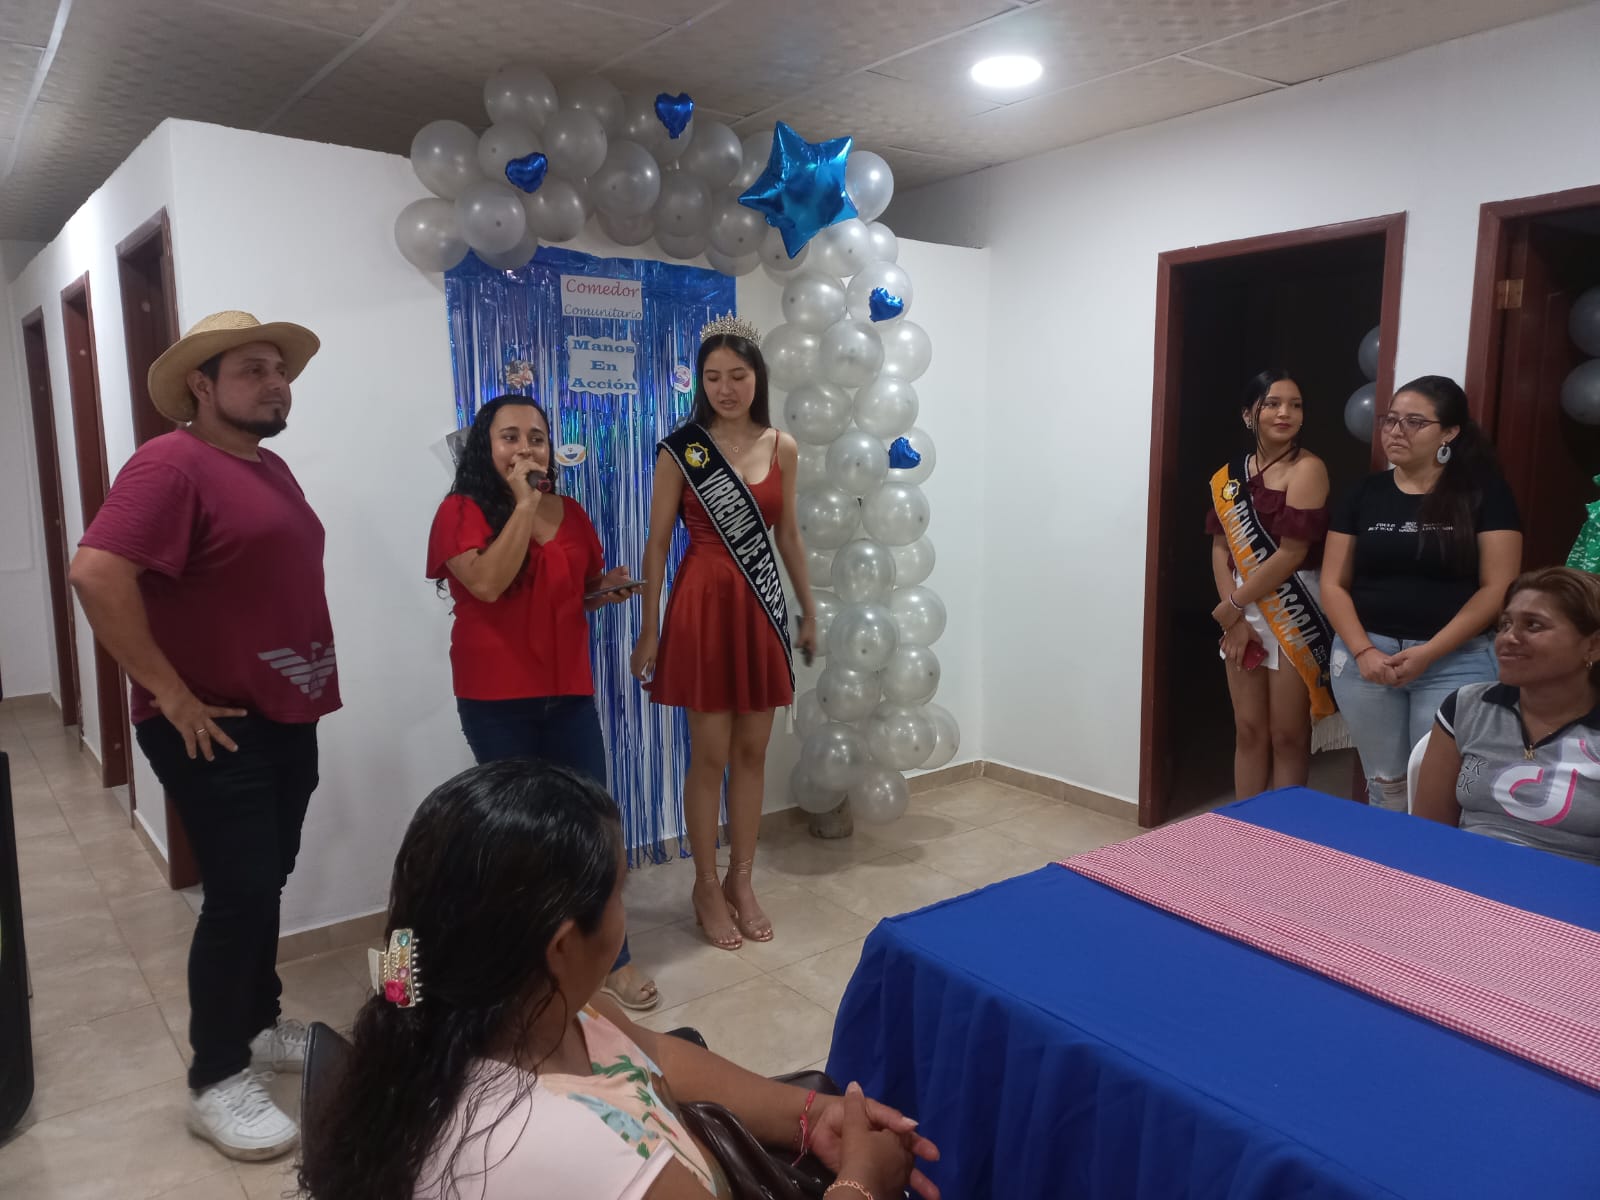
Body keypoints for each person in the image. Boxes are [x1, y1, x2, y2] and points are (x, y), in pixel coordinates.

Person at [298, 759, 940, 1200]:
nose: (623, 913)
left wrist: (813, 1115)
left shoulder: (529, 1014)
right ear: (561, 945)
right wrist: (863, 1185)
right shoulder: (558, 1150)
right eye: (618, 893)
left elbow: (651, 1055)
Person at [68, 310, 335, 1160]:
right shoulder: (170, 465)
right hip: (215, 726)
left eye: (279, 370)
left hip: (285, 711)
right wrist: (171, 694)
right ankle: (216, 1079)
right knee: (240, 895)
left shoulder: (270, 466)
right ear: (202, 385)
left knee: (266, 880)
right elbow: (96, 572)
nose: (275, 384)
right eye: (252, 370)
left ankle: (257, 1024)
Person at [427, 393, 658, 1012]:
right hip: (497, 700)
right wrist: (525, 504)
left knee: (593, 826)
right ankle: (530, 962)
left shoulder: (571, 512)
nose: (526, 447)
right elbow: (488, 583)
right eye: (510, 436)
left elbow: (568, 590)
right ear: (486, 446)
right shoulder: (460, 510)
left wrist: (602, 590)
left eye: (537, 436)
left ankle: (612, 958)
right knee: (522, 837)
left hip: (570, 694)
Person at [631, 316, 817, 951]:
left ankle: (742, 880)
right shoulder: (681, 449)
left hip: (760, 609)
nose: (726, 388)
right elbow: (657, 545)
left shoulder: (783, 446)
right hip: (703, 608)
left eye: (738, 375)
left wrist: (809, 610)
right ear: (700, 383)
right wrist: (649, 629)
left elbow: (788, 537)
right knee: (709, 755)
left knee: (753, 753)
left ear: (757, 377)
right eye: (713, 377)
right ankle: (705, 885)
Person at [1320, 375, 1523, 810]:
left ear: (1449, 433)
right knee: (1386, 784)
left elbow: (1498, 589)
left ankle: (1429, 859)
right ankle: (1385, 858)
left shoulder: (1485, 494)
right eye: (1390, 420)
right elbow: (1333, 583)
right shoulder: (1363, 494)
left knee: (1437, 791)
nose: (1396, 431)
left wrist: (1429, 653)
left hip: (1455, 660)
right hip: (1365, 661)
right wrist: (1363, 652)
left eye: (1414, 422)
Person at [1414, 567, 1600, 865]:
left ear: (1593, 645)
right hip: (1464, 875)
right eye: (1505, 624)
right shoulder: (1467, 706)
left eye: (1534, 626)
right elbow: (1429, 834)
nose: (1508, 638)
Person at [1206, 369, 1333, 798]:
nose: (1285, 413)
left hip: (1291, 609)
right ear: (1249, 414)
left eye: (1295, 405)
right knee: (1248, 730)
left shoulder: (1308, 469)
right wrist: (1234, 617)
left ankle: (1283, 830)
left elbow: (1293, 553)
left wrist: (1234, 604)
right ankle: (1244, 827)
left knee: (1288, 735)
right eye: (1273, 403)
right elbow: (1221, 549)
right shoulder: (1229, 478)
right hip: (1241, 610)